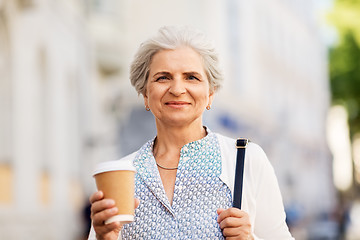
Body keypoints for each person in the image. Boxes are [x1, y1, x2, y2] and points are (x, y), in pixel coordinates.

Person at [88, 26, 294, 240]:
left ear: (210, 94)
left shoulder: (247, 159)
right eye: (163, 78)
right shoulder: (122, 174)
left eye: (192, 77)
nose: (177, 89)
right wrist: (106, 238)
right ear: (145, 94)